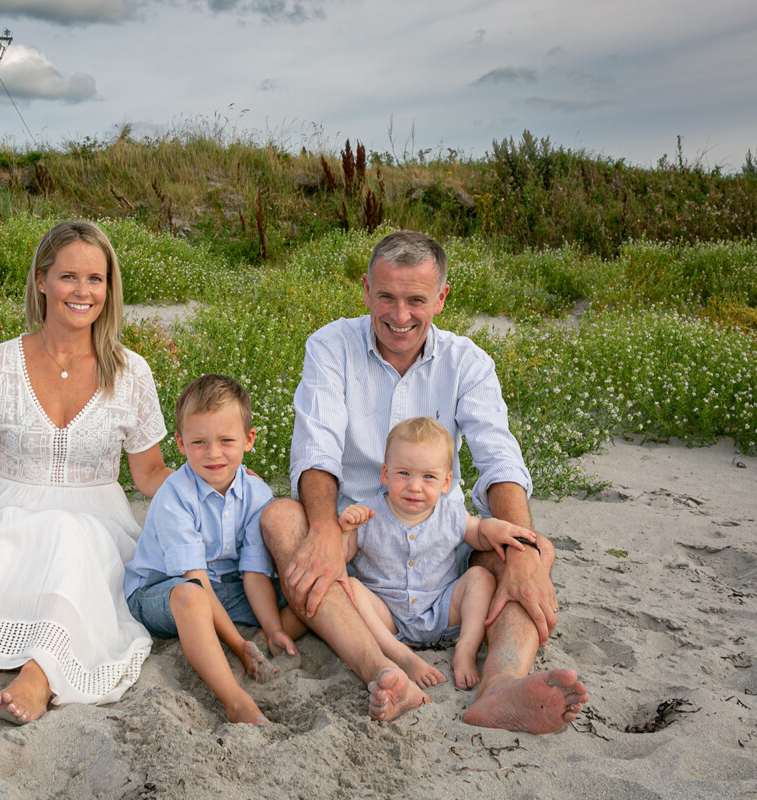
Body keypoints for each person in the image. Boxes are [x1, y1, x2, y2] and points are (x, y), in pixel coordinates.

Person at [261, 229, 587, 732]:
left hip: (443, 552)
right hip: (357, 538)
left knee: (528, 549)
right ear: (366, 290)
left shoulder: (467, 361)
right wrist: (327, 529)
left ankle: (499, 687)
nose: (399, 315)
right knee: (282, 518)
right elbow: (316, 446)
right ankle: (384, 671)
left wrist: (524, 552)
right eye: (386, 297)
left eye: (416, 299)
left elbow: (499, 457)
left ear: (441, 298)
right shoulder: (331, 346)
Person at [0, 220, 171, 726]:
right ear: (42, 280)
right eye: (69, 276)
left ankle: (38, 676)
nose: (83, 291)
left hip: (97, 519)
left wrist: (215, 489)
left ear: (109, 289)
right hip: (10, 507)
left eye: (96, 279)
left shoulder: (131, 370)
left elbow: (150, 473)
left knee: (74, 539)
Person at [125, 375, 306, 726]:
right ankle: (234, 699)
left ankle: (263, 638)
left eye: (226, 440)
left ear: (248, 440)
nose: (213, 453)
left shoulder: (256, 493)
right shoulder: (174, 496)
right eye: (199, 442)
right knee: (193, 599)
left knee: (303, 590)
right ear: (179, 443)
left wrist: (271, 627)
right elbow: (197, 584)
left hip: (229, 587)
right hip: (164, 592)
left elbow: (254, 572)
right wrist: (238, 646)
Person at [337, 417, 537, 692]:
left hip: (442, 608)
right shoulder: (368, 513)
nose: (415, 486)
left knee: (479, 577)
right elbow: (341, 557)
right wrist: (346, 531)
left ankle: (465, 650)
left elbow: (478, 532)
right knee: (350, 588)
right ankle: (399, 655)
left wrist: (496, 528)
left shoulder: (451, 513)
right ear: (385, 473)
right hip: (387, 615)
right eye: (403, 473)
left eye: (428, 477)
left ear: (446, 483)